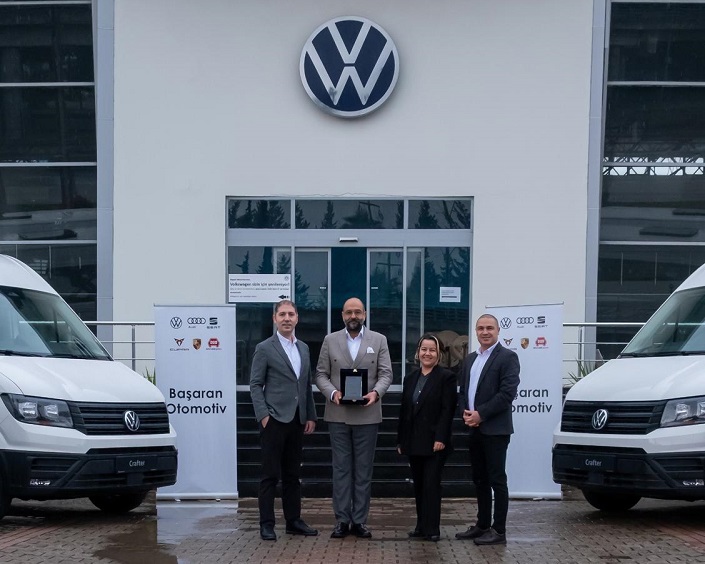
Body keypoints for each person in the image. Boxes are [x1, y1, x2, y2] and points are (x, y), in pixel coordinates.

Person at [315, 297, 393, 539]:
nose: (353, 316)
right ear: (342, 315)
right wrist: (332, 393)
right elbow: (320, 374)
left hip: (368, 415)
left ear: (365, 314)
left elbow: (386, 373)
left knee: (363, 471)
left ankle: (359, 521)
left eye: (358, 312)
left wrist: (376, 393)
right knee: (340, 470)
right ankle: (341, 520)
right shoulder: (330, 340)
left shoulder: (379, 340)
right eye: (349, 312)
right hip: (338, 414)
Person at [249, 300, 318, 541]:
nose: (287, 318)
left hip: (297, 420)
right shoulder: (264, 348)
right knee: (270, 475)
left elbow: (306, 385)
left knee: (292, 475)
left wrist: (310, 415)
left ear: (297, 318)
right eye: (282, 314)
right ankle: (266, 524)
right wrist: (263, 416)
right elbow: (255, 384)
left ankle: (293, 521)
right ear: (275, 319)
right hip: (274, 420)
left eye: (291, 314)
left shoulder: (304, 348)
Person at [455, 313, 520, 546]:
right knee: (479, 479)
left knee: (497, 480)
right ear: (475, 331)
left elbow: (507, 393)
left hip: (495, 430)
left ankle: (499, 530)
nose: (485, 332)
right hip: (473, 428)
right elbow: (462, 391)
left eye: (489, 328)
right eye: (481, 328)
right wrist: (465, 413)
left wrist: (480, 414)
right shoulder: (470, 359)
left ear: (498, 331)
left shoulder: (508, 357)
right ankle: (482, 525)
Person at [397, 333, 457, 542]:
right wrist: (401, 440)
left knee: (431, 485)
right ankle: (421, 526)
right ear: (418, 352)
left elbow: (447, 410)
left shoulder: (446, 377)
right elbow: (404, 411)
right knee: (419, 485)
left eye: (432, 350)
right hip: (413, 441)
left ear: (438, 354)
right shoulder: (410, 378)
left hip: (435, 442)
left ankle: (432, 529)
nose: (427, 353)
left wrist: (441, 437)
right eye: (424, 349)